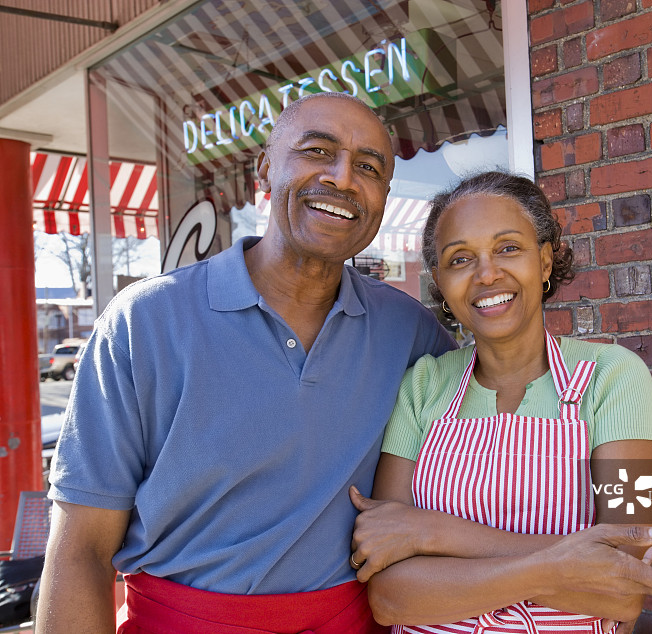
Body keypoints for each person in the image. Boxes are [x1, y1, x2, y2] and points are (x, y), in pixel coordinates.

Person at [37, 92, 455, 633]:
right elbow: (80, 551)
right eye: (317, 151)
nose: (344, 179)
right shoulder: (146, 322)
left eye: (369, 168)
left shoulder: (411, 333)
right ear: (265, 168)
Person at [348, 171, 652, 633]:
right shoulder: (421, 386)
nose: (486, 273)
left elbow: (622, 588)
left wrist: (431, 533)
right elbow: (390, 597)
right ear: (440, 283)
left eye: (508, 248)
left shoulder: (616, 379)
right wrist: (565, 565)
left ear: (544, 261)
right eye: (460, 258)